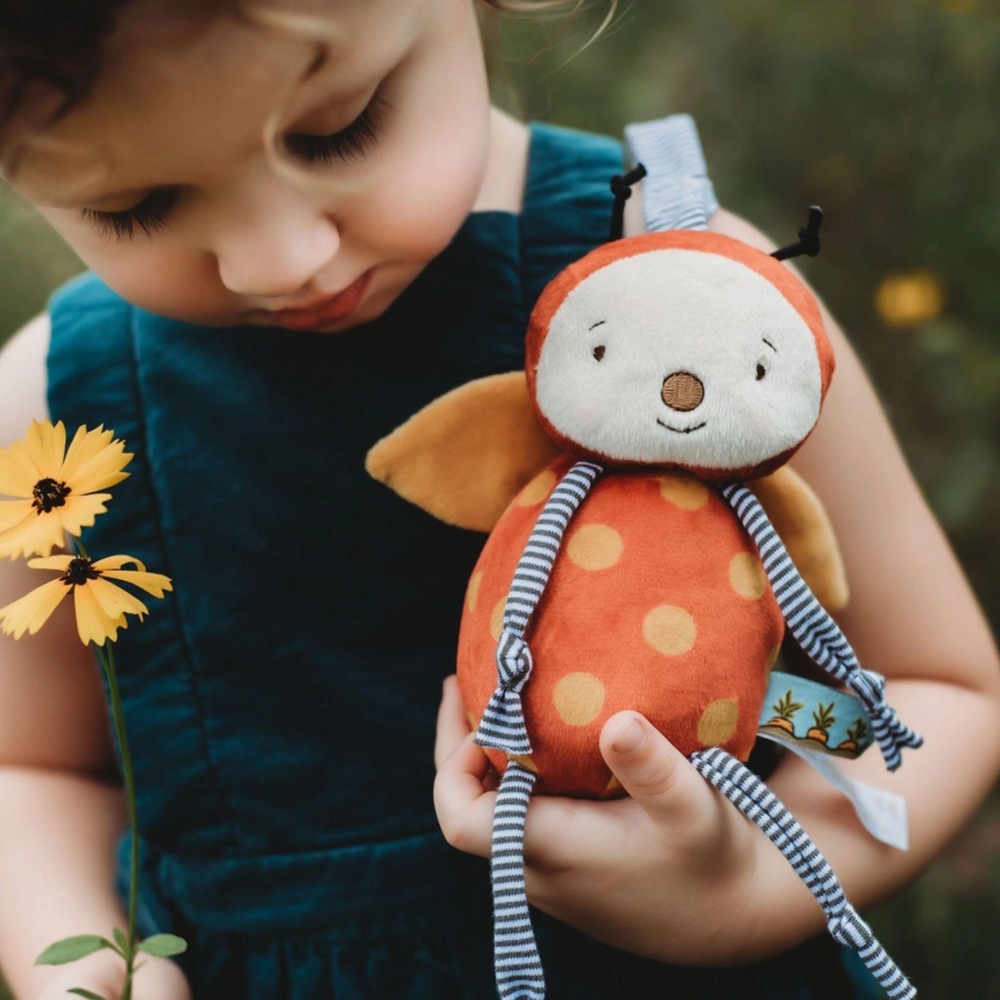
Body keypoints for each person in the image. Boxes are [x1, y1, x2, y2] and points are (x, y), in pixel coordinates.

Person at [0, 1, 997, 998]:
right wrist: (91, 973)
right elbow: (31, 769)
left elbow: (942, 691)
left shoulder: (696, 300)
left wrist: (745, 895)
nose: (282, 257)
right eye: (135, 204)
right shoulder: (49, 425)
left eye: (337, 128)